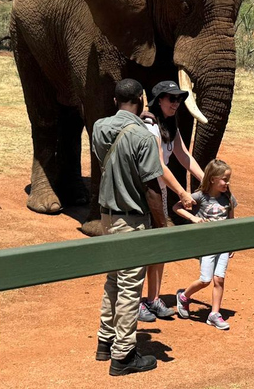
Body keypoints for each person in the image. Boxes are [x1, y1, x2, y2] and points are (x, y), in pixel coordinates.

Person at [91, 78, 167, 376]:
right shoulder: (143, 137)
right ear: (142, 98)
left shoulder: (99, 127)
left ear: (115, 101)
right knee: (129, 288)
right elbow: (151, 187)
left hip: (107, 216)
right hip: (132, 219)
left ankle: (105, 341)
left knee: (112, 280)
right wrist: (161, 225)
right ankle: (123, 355)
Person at [138, 80, 206, 322]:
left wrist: (205, 179)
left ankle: (153, 299)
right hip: (146, 192)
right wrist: (182, 192)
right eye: (171, 98)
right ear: (158, 101)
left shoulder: (169, 125)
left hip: (160, 192)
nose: (176, 103)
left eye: (178, 99)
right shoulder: (149, 126)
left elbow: (183, 155)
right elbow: (158, 166)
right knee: (147, 247)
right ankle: (139, 302)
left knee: (160, 245)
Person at [173, 159, 237, 330]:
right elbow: (176, 207)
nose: (227, 183)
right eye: (224, 179)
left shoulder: (229, 198)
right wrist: (193, 218)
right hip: (207, 244)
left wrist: (232, 244)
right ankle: (184, 297)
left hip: (223, 244)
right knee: (206, 280)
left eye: (228, 179)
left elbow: (231, 221)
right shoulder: (200, 196)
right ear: (212, 179)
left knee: (219, 279)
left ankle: (214, 314)